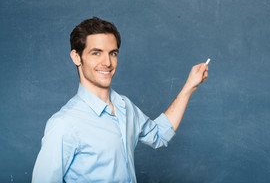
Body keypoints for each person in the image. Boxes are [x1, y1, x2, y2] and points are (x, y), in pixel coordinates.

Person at [32, 17, 209, 183]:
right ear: (76, 57)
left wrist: (190, 86)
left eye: (113, 53)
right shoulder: (64, 124)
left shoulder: (125, 106)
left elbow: (160, 134)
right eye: (96, 53)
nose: (107, 62)